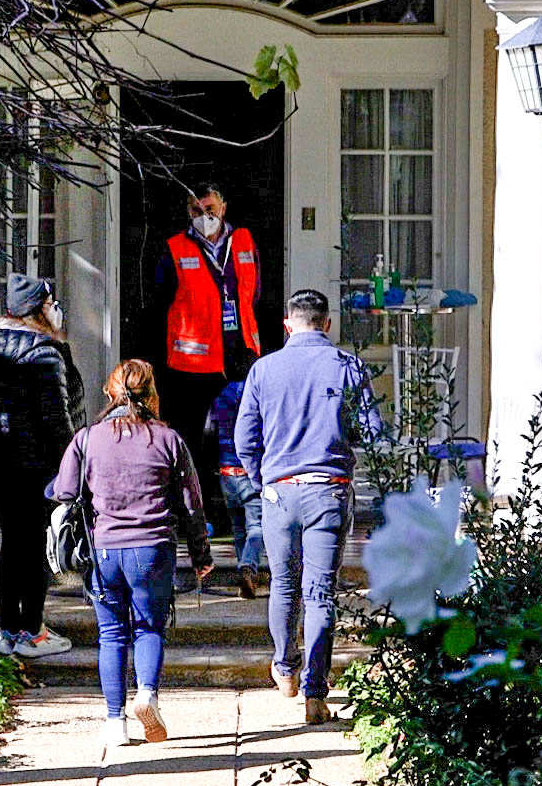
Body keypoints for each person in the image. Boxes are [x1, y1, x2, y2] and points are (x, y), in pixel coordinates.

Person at [49, 360, 213, 750]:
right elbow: (192, 504)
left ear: (110, 394)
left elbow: (64, 493)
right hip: (152, 549)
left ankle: (114, 722)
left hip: (103, 551)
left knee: (111, 635)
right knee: (150, 628)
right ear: (152, 394)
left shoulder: (87, 439)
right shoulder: (168, 439)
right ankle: (148, 695)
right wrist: (200, 554)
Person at [236, 290, 382, 725]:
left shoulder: (264, 369)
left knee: (283, 584)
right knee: (320, 592)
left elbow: (245, 441)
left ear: (287, 324)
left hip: (280, 491)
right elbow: (371, 431)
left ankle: (284, 669)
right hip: (329, 490)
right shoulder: (347, 365)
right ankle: (316, 695)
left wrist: (262, 480)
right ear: (327, 324)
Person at [0, 274, 86, 658]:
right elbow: (58, 418)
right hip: (35, 460)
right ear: (38, 310)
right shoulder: (44, 353)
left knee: (11, 540)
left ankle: (7, 631)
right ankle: (34, 632)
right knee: (36, 542)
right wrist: (72, 463)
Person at [151, 183, 262, 545]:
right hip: (191, 363)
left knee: (239, 439)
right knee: (193, 444)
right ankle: (196, 518)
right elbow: (158, 300)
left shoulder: (244, 242)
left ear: (224, 207)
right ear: (188, 213)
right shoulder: (174, 249)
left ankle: (240, 515)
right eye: (197, 211)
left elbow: (255, 292)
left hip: (239, 356)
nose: (205, 217)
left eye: (210, 208)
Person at [208, 378, 263, 599]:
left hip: (227, 471)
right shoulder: (258, 394)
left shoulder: (222, 395)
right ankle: (248, 566)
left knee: (238, 528)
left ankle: (244, 573)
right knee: (258, 527)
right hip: (251, 470)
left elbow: (209, 430)